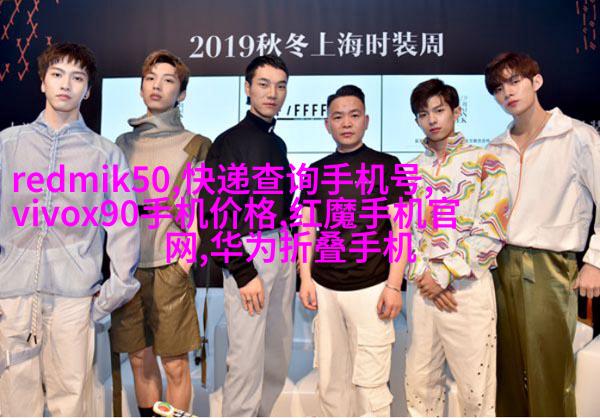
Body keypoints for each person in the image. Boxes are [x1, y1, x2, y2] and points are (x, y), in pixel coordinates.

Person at [0, 42, 140, 416]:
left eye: (77, 78)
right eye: (57, 74)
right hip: (12, 296)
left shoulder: (105, 153)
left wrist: (112, 293)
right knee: (14, 402)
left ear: (88, 90)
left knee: (72, 401)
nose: (66, 84)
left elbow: (124, 228)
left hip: (75, 300)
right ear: (42, 82)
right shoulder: (8, 145)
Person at [485, 52, 600, 416]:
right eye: (498, 88)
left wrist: (595, 261)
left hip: (550, 266)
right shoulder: (495, 147)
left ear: (536, 81)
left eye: (514, 81)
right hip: (499, 266)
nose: (507, 93)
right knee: (505, 371)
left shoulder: (577, 136)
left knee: (549, 373)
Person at [110, 49, 211, 415]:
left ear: (181, 93)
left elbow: (203, 209)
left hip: (172, 264)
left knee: (175, 365)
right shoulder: (122, 143)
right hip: (129, 266)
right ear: (141, 89)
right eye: (150, 79)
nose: (157, 86)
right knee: (139, 359)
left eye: (168, 80)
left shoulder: (197, 144)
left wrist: (186, 261)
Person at [298, 85, 409, 416]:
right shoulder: (315, 171)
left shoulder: (388, 165)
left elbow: (402, 230)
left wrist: (394, 286)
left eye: (354, 115)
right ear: (327, 124)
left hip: (371, 288)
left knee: (371, 385)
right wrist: (305, 278)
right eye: (338, 117)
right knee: (330, 381)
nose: (346, 123)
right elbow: (307, 228)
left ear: (366, 120)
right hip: (325, 288)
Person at [404, 78, 509, 416]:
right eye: (423, 114)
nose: (432, 119)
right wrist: (424, 277)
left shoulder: (485, 162)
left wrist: (444, 275)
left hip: (467, 289)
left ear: (456, 112)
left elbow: (492, 229)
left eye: (439, 110)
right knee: (420, 385)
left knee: (475, 391)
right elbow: (401, 233)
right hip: (421, 291)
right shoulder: (409, 171)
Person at [198, 54, 295, 417]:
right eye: (264, 84)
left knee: (276, 355)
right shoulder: (229, 142)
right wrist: (242, 270)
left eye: (281, 86)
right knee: (246, 360)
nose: (273, 93)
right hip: (250, 252)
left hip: (282, 246)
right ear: (247, 88)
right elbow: (211, 213)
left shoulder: (277, 143)